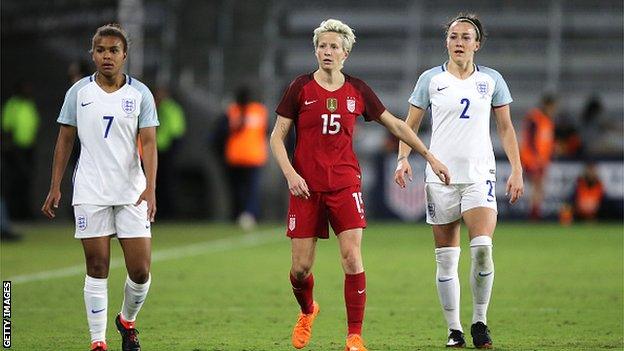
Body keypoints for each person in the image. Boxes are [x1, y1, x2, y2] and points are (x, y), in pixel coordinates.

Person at [271, 19, 450, 351]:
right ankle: (308, 310)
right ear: (316, 50)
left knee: (352, 258)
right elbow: (277, 137)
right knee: (300, 269)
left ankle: (354, 336)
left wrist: (430, 156)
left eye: (334, 46)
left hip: (344, 185)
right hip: (305, 188)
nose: (327, 51)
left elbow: (395, 124)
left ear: (345, 53)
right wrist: (290, 174)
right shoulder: (299, 88)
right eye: (322, 46)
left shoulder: (357, 90)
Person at [394, 13, 524, 349]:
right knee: (447, 257)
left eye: (466, 37)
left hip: (480, 175)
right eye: (453, 37)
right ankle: (454, 329)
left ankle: (479, 320)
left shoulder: (492, 80)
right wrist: (403, 158)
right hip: (440, 179)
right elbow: (409, 124)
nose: (459, 43)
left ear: (477, 44)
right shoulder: (431, 80)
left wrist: (517, 169)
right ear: (446, 42)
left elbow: (506, 128)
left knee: (482, 249)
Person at [41, 24, 159, 351]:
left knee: (140, 271)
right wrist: (55, 186)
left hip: (131, 192)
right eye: (101, 50)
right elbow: (64, 140)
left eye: (114, 50)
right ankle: (98, 341)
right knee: (97, 267)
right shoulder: (78, 93)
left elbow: (149, 144)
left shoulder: (140, 95)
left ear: (124, 55)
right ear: (92, 54)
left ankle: (127, 321)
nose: (107, 56)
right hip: (91, 191)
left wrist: (150, 188)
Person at [224, 86, 269, 229]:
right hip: (254, 156)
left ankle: (238, 214)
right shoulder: (259, 111)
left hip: (236, 156)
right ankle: (249, 214)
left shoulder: (232, 111)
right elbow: (267, 131)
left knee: (238, 188)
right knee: (251, 188)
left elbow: (224, 131)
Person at [1, 81, 40, 219]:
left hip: (29, 148)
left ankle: (25, 212)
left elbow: (33, 124)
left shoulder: (29, 105)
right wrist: (10, 147)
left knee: (26, 182)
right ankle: (14, 213)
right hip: (15, 150)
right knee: (15, 182)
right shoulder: (12, 105)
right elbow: (7, 127)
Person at [520, 94, 557, 220]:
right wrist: (536, 157)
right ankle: (534, 213)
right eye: (552, 107)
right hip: (532, 159)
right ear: (547, 105)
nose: (554, 110)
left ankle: (535, 211)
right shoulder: (535, 118)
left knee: (539, 186)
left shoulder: (546, 120)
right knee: (536, 185)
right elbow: (530, 139)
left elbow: (545, 141)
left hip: (541, 160)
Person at [155, 86, 186, 218]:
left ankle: (166, 212)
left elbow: (172, 130)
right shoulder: (173, 108)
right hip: (167, 146)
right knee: (165, 181)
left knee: (164, 181)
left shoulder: (166, 108)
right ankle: (167, 211)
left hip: (165, 148)